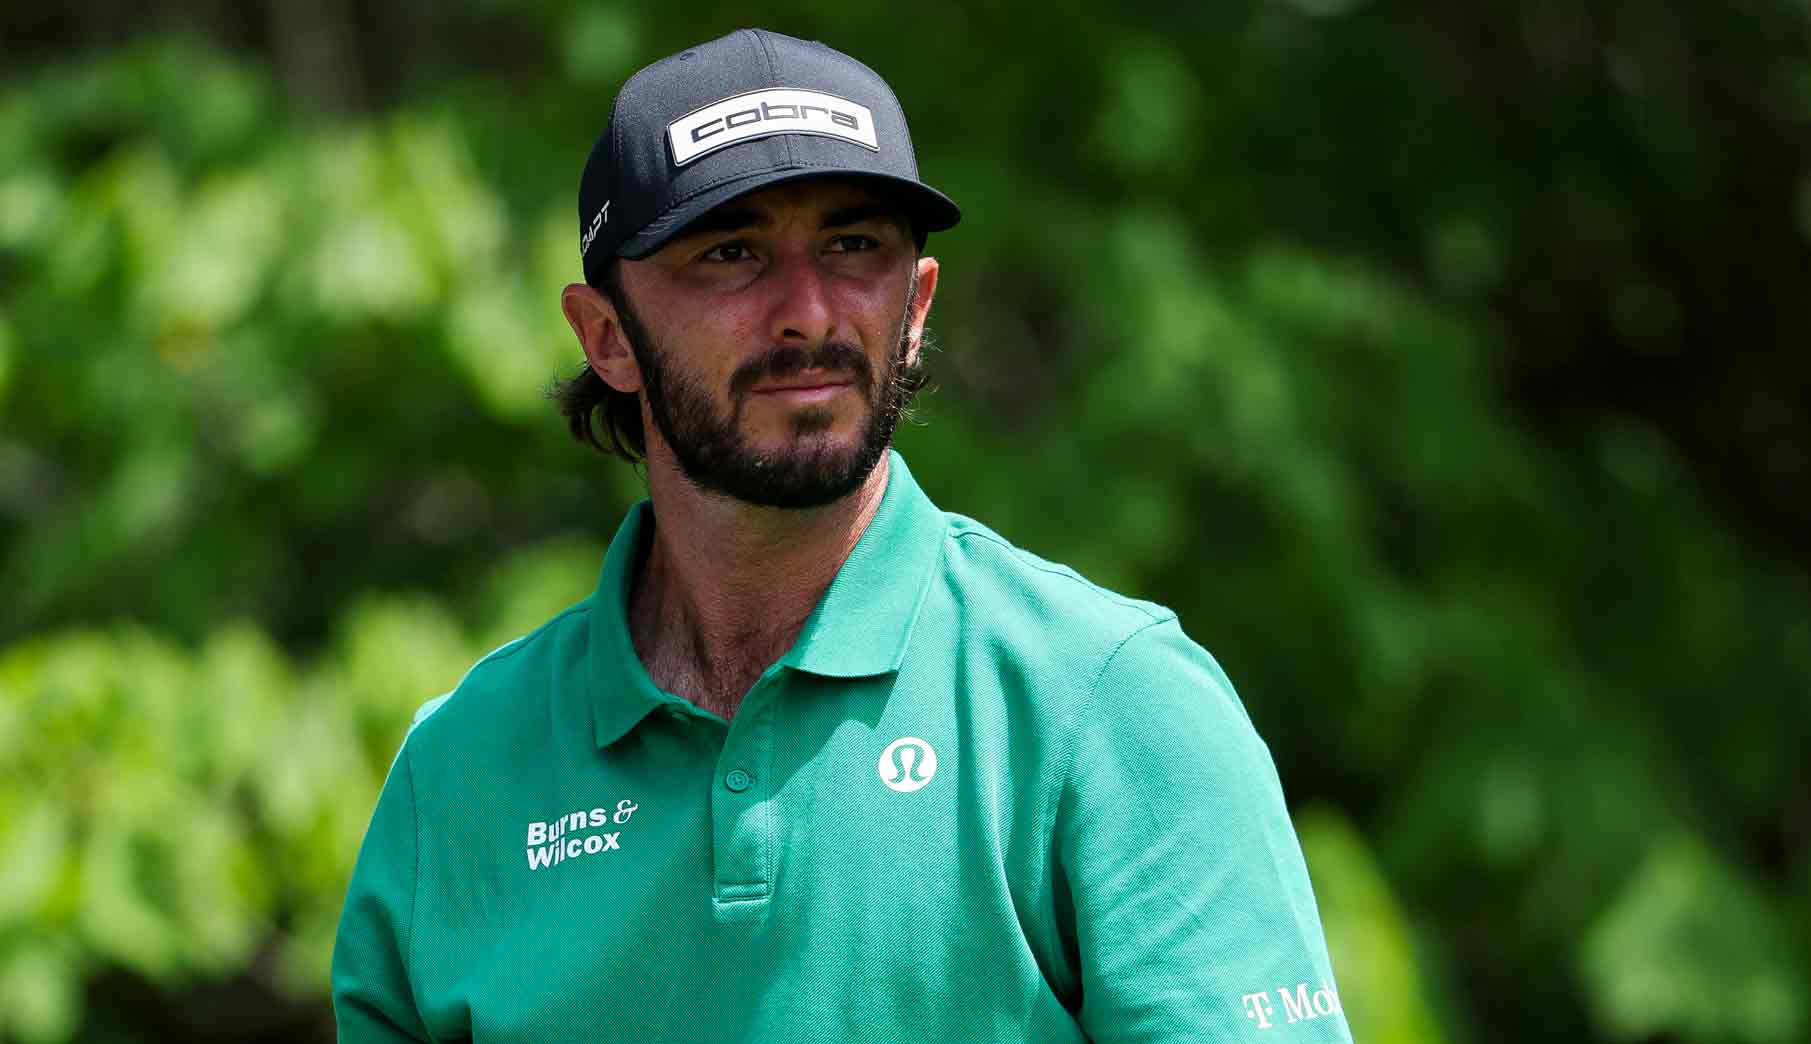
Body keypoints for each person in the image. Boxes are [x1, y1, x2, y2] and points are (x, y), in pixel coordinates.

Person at [332, 27, 1354, 1043]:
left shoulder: (1106, 704)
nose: (806, 311)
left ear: (913, 307)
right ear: (606, 337)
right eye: (730, 253)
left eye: (852, 246)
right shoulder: (455, 772)